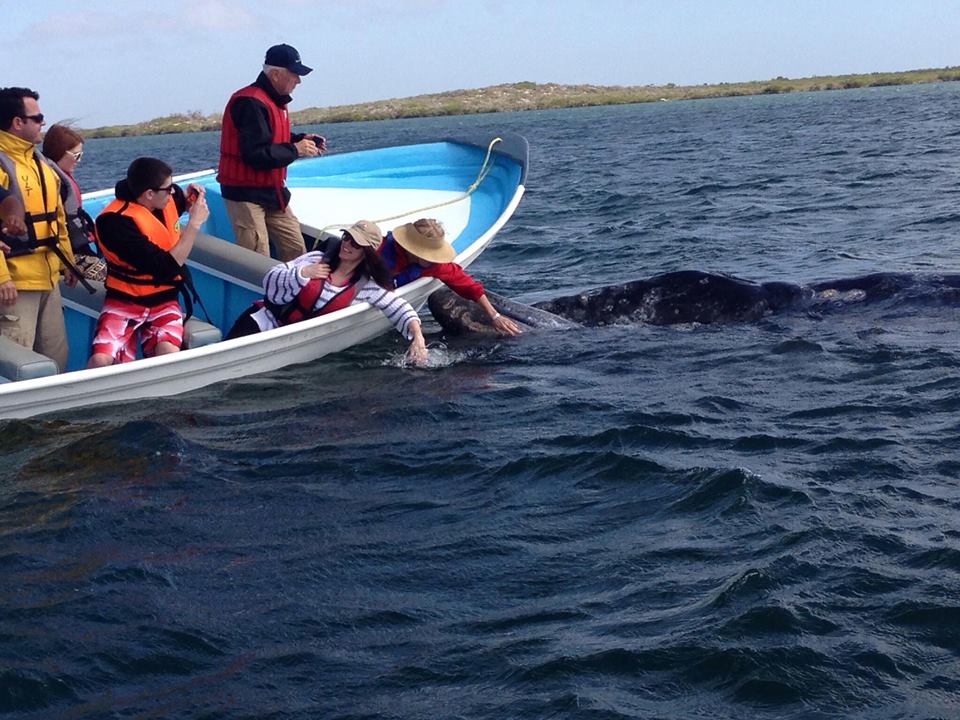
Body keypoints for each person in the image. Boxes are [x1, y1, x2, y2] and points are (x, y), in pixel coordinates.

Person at [225, 219, 428, 364]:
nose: (347, 244)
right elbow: (271, 279)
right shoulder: (315, 259)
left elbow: (399, 307)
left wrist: (418, 337)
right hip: (259, 324)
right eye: (346, 237)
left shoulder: (366, 287)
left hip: (287, 341)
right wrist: (303, 273)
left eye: (356, 243)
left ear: (367, 252)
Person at [87, 157, 209, 367]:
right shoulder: (115, 223)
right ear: (149, 194)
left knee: (168, 352)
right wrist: (194, 224)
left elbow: (179, 198)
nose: (173, 193)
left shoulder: (165, 196)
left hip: (164, 300)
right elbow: (166, 268)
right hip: (125, 300)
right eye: (168, 189)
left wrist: (191, 196)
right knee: (102, 359)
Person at [217, 43, 325, 262]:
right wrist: (295, 149)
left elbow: (269, 136)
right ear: (275, 74)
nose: (299, 81)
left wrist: (299, 138)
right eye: (294, 75)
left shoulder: (273, 100)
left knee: (296, 251)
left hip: (271, 192)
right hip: (246, 195)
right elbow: (255, 154)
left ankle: (293, 293)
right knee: (257, 257)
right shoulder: (249, 102)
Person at [0, 86, 77, 371]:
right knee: (18, 365)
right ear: (17, 122)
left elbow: (58, 218)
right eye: (38, 117)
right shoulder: (2, 164)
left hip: (48, 277)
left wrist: (67, 262)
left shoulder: (40, 162)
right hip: (15, 284)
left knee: (57, 358)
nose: (43, 122)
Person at [380, 218, 522, 335]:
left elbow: (469, 286)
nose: (433, 259)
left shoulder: (436, 265)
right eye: (427, 254)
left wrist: (495, 316)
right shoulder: (379, 249)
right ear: (413, 250)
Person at [41, 123, 105, 281]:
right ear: (59, 153)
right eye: (76, 155)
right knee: (109, 280)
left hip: (78, 246)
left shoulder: (61, 176)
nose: (79, 160)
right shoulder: (54, 183)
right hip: (66, 252)